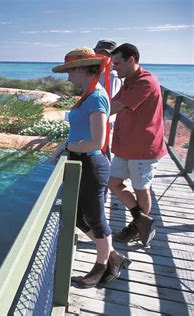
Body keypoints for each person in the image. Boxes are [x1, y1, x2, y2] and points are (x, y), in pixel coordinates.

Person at [51, 47, 130, 288]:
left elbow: (97, 141)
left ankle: (102, 265)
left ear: (83, 69)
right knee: (76, 216)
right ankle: (113, 256)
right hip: (82, 163)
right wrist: (67, 145)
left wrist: (68, 146)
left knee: (96, 219)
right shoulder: (89, 95)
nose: (68, 77)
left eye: (70, 71)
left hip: (92, 164)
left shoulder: (96, 96)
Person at [108, 43, 168, 247]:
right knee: (113, 183)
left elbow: (114, 107)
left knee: (141, 189)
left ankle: (137, 227)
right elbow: (110, 102)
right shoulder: (129, 80)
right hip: (126, 145)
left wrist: (87, 117)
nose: (113, 68)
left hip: (143, 147)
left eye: (117, 63)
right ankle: (141, 221)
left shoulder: (145, 82)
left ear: (131, 60)